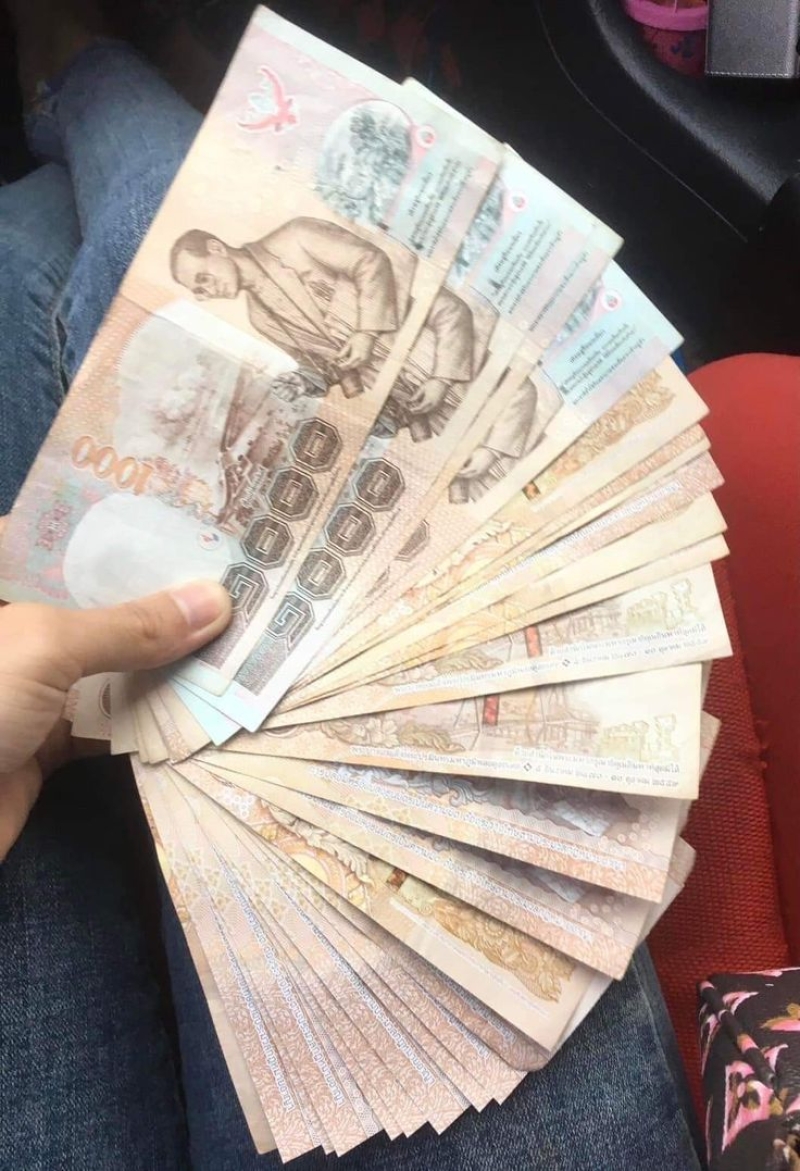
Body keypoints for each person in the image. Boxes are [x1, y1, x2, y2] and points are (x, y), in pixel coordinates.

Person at [0, 7, 706, 1169]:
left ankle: (77, 74)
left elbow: (352, 275)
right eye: (211, 268)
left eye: (211, 265)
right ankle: (97, 75)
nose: (215, 271)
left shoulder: (266, 264)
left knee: (46, 251)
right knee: (102, 238)